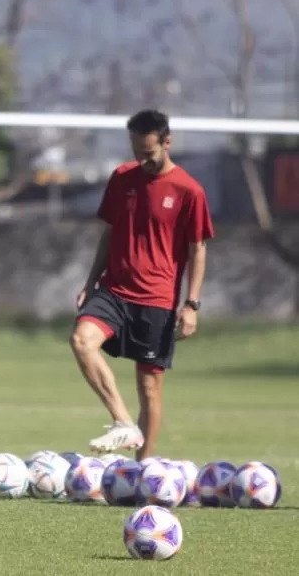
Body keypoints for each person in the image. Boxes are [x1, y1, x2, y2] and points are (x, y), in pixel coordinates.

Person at [71, 109, 214, 460]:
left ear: (167, 142)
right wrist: (91, 281)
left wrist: (192, 304)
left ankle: (143, 470)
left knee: (149, 388)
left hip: (157, 300)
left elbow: (198, 250)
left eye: (148, 154)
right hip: (114, 290)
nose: (142, 161)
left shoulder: (188, 190)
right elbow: (109, 233)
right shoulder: (122, 178)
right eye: (136, 152)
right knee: (81, 339)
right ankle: (122, 422)